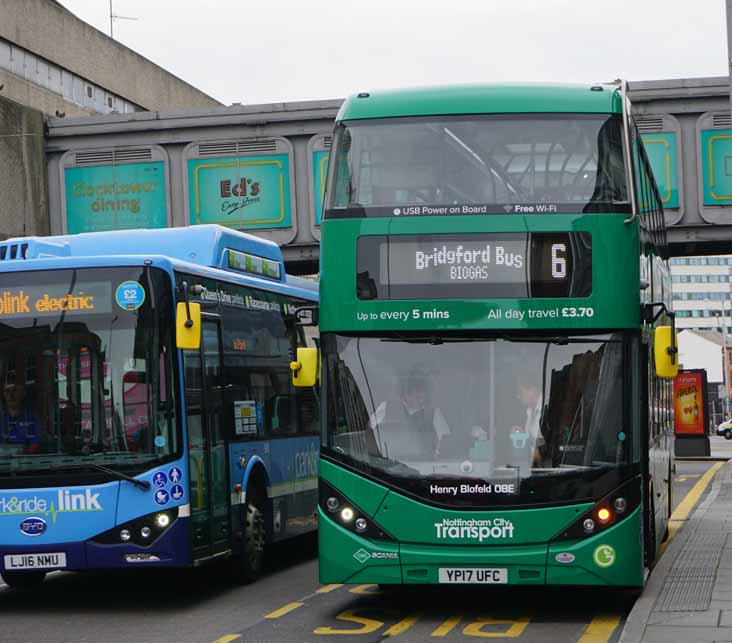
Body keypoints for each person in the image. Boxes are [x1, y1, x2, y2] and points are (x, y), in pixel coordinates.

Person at [369, 367, 451, 459]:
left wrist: (436, 454)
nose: (421, 399)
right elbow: (369, 432)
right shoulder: (387, 408)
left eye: (422, 394)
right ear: (406, 393)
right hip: (391, 462)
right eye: (417, 394)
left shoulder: (434, 413)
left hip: (425, 464)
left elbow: (445, 440)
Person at [509, 381, 546, 468]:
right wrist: (522, 435)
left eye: (520, 392)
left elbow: (550, 440)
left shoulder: (548, 405)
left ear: (532, 390)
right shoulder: (529, 411)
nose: (518, 396)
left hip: (547, 467)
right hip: (533, 466)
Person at [0, 382, 42, 454]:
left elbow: (36, 443)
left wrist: (22, 452)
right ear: (3, 394)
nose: (11, 395)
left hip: (25, 460)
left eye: (15, 390)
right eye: (7, 391)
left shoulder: (32, 418)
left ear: (23, 393)